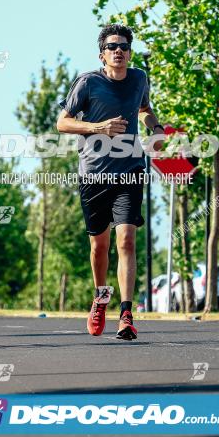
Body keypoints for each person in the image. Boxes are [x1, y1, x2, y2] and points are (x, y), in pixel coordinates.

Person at [56, 24, 165, 340]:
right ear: (102, 54)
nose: (119, 51)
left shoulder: (139, 79)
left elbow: (144, 109)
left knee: (126, 240)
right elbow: (63, 122)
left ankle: (127, 313)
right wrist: (98, 127)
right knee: (98, 246)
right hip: (94, 174)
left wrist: (156, 128)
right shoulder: (88, 82)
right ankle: (100, 299)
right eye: (113, 46)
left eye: (124, 46)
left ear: (129, 52)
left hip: (130, 170)